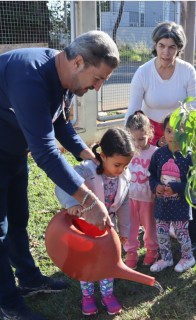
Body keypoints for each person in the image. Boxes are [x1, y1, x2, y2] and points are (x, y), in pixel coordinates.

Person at [0, 30, 119, 319]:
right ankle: (8, 305)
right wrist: (89, 201)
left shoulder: (63, 75)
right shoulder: (30, 79)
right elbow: (45, 153)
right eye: (98, 78)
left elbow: (60, 122)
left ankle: (28, 280)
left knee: (18, 219)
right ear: (79, 62)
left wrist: (87, 155)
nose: (99, 87)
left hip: (12, 153)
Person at [55, 128, 135, 316]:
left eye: (125, 165)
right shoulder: (85, 171)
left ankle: (107, 295)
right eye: (117, 164)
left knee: (109, 261)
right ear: (103, 155)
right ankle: (88, 296)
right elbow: (62, 186)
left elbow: (123, 204)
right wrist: (72, 203)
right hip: (86, 227)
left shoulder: (124, 176)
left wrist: (124, 231)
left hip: (108, 228)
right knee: (87, 263)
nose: (122, 169)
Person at [125, 21, 196, 147]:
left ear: (179, 48)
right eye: (162, 45)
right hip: (148, 133)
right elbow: (133, 110)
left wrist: (182, 134)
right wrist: (126, 140)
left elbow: (193, 109)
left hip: (177, 131)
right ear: (155, 45)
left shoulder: (188, 71)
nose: (166, 52)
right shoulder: (143, 72)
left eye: (172, 47)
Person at [149, 116, 196, 272]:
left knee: (181, 232)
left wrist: (176, 187)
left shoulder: (189, 157)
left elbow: (193, 184)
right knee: (161, 232)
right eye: (169, 131)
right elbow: (152, 176)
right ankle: (166, 258)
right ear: (163, 132)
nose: (173, 135)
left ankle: (188, 257)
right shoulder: (159, 154)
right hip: (162, 204)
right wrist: (156, 187)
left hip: (180, 205)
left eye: (178, 131)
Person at [124, 111, 159, 269]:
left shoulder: (155, 153)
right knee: (129, 227)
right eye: (133, 139)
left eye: (141, 139)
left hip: (148, 200)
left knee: (150, 227)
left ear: (149, 133)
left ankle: (152, 249)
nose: (137, 144)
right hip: (129, 198)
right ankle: (131, 251)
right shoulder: (127, 152)